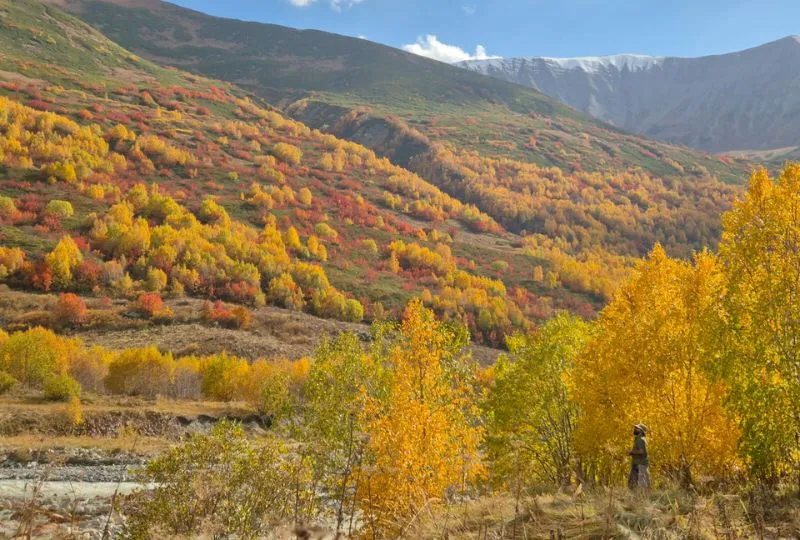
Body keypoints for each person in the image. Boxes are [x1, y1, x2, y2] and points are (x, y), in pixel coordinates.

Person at [628, 424, 650, 490]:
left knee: (642, 484)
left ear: (641, 431)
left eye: (636, 428)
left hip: (640, 464)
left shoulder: (640, 439)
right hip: (637, 463)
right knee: (632, 483)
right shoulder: (638, 439)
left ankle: (643, 498)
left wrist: (631, 452)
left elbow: (641, 451)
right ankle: (635, 498)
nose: (634, 429)